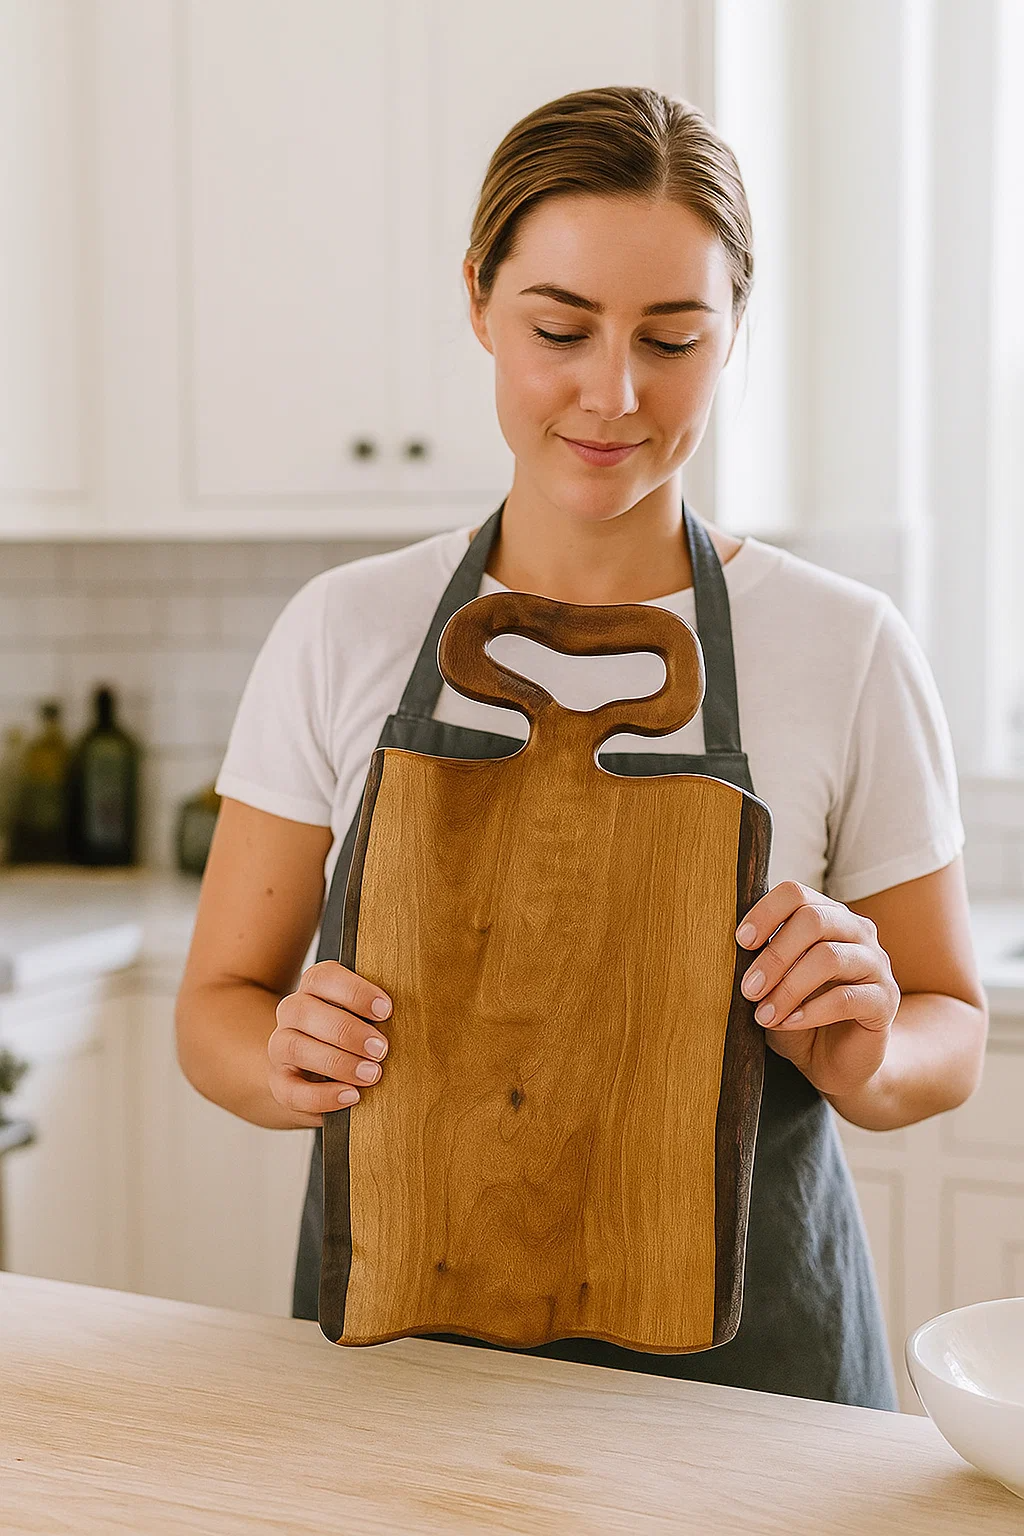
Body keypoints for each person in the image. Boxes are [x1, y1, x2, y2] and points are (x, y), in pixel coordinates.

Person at [175, 85, 988, 1411]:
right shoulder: (344, 626)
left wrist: (870, 1050)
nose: (613, 394)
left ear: (734, 331)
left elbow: (951, 1021)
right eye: (561, 329)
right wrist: (280, 1061)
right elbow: (218, 1004)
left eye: (673, 339)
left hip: (751, 1402)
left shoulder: (846, 646)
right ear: (479, 302)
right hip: (407, 1370)